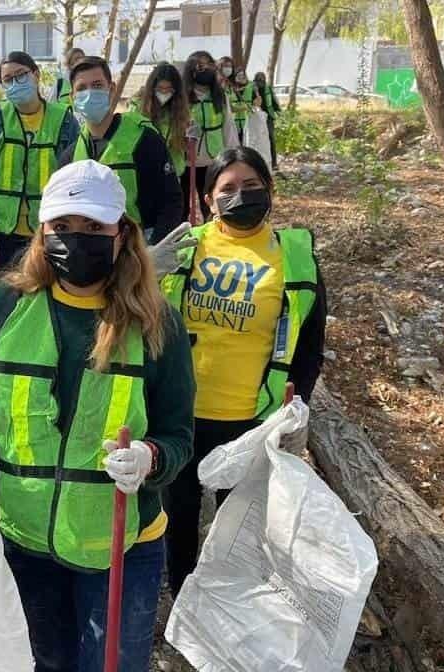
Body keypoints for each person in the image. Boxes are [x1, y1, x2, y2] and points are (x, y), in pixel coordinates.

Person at [0, 159, 194, 671]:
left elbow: (179, 434)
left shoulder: (157, 321)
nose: (77, 240)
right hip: (22, 539)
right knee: (40, 662)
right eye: (64, 227)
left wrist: (151, 457)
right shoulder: (9, 303)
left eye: (94, 228)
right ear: (42, 230)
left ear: (122, 234)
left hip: (120, 546)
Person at [159, 146, 327, 594]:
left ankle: (224, 599)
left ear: (270, 191)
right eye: (227, 189)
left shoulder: (294, 253)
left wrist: (299, 402)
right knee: (178, 515)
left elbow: (310, 343)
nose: (240, 196)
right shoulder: (185, 247)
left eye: (251, 187)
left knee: (235, 523)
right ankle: (181, 596)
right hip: (182, 412)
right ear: (209, 200)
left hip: (250, 417)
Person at [59, 56, 183, 245]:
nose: (90, 93)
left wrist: (156, 248)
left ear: (112, 89)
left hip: (138, 248)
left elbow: (171, 201)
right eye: (82, 88)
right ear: (72, 98)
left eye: (97, 85)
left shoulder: (144, 139)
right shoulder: (70, 155)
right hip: (91, 251)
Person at [0, 51, 80, 268]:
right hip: (3, 232)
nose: (15, 83)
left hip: (50, 229)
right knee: (10, 295)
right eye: (8, 80)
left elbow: (75, 179)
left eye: (21, 75)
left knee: (47, 293)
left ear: (36, 74)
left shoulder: (65, 122)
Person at [182, 50, 239, 222]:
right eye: (200, 65)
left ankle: (211, 236)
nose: (205, 69)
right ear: (191, 69)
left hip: (213, 160)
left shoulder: (219, 96)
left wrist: (232, 157)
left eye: (208, 65)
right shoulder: (183, 97)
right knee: (183, 205)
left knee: (210, 203)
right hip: (186, 161)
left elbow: (228, 127)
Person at [131, 62, 191, 219]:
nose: (164, 94)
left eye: (169, 90)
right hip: (144, 172)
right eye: (160, 89)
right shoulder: (138, 106)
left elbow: (181, 147)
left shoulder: (179, 111)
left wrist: (187, 136)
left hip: (171, 173)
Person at [254, 71, 281, 169]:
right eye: (258, 79)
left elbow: (274, 100)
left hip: (268, 117)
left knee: (271, 139)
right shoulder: (253, 88)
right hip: (257, 117)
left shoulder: (268, 88)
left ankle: (274, 163)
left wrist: (278, 110)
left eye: (262, 79)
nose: (261, 81)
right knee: (258, 140)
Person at [228, 66, 261, 141]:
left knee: (247, 144)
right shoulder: (229, 87)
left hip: (248, 121)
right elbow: (229, 107)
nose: (241, 77)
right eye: (238, 75)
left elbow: (259, 100)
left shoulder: (252, 86)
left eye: (243, 75)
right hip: (233, 123)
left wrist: (255, 104)